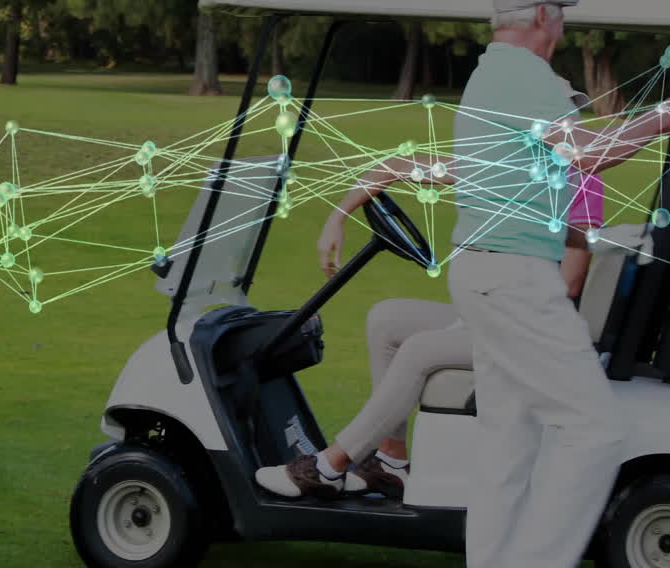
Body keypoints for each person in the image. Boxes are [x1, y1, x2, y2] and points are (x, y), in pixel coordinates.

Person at [448, 0, 670, 568]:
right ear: (539, 17)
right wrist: (661, 118)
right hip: (515, 275)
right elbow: (587, 156)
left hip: (484, 270)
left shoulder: (489, 73)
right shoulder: (523, 73)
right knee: (594, 431)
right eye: (559, 15)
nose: (561, 28)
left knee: (510, 439)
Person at [254, 79, 606, 500]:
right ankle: (391, 463)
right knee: (387, 318)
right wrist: (339, 215)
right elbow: (398, 166)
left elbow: (569, 283)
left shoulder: (583, 183)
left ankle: (329, 466)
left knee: (421, 349)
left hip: (531, 332)